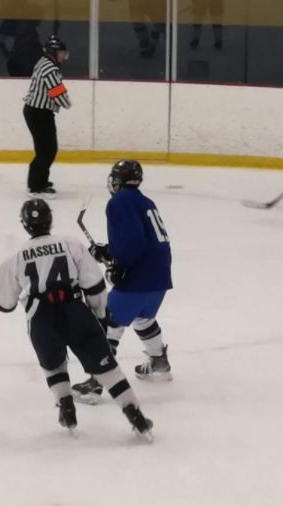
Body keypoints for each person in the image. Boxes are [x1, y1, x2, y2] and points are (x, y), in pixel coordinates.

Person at [0, 199, 153, 439]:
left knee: (52, 364)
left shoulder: (17, 256)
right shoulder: (71, 244)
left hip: (41, 317)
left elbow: (2, 303)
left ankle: (66, 409)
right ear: (49, 219)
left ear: (25, 225)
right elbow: (94, 286)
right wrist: (100, 315)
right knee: (107, 368)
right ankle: (136, 416)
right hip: (74, 312)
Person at [71, 160, 174, 404]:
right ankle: (159, 361)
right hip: (159, 278)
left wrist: (121, 265)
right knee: (142, 318)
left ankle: (96, 383)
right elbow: (142, 240)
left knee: (106, 325)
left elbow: (134, 241)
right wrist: (109, 253)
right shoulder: (145, 202)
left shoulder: (119, 201)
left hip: (138, 279)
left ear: (115, 180)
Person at [22, 35, 71, 198]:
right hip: (39, 113)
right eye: (62, 53)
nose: (63, 56)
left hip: (38, 112)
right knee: (46, 150)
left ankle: (40, 181)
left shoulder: (43, 62)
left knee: (46, 149)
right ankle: (36, 186)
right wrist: (66, 102)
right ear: (54, 52)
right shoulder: (50, 68)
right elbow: (56, 90)